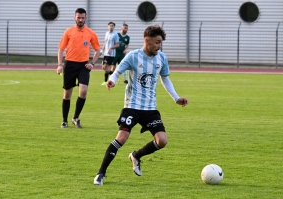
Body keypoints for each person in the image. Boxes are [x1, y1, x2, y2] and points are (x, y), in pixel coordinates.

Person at [93, 25, 188, 185]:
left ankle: (136, 156)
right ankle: (101, 173)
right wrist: (112, 80)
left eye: (160, 43)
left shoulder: (161, 58)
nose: (159, 46)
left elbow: (165, 78)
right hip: (132, 105)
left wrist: (176, 98)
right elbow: (117, 72)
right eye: (157, 42)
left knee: (162, 140)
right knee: (122, 137)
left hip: (150, 108)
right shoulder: (133, 56)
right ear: (147, 40)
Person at [57, 8, 101, 128]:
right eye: (78, 17)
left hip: (83, 66)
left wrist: (92, 63)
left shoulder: (91, 33)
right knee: (67, 94)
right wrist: (60, 65)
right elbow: (61, 49)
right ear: (74, 18)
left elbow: (98, 50)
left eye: (82, 18)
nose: (80, 20)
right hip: (70, 65)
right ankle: (64, 120)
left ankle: (75, 118)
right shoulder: (69, 31)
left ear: (85, 18)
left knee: (83, 91)